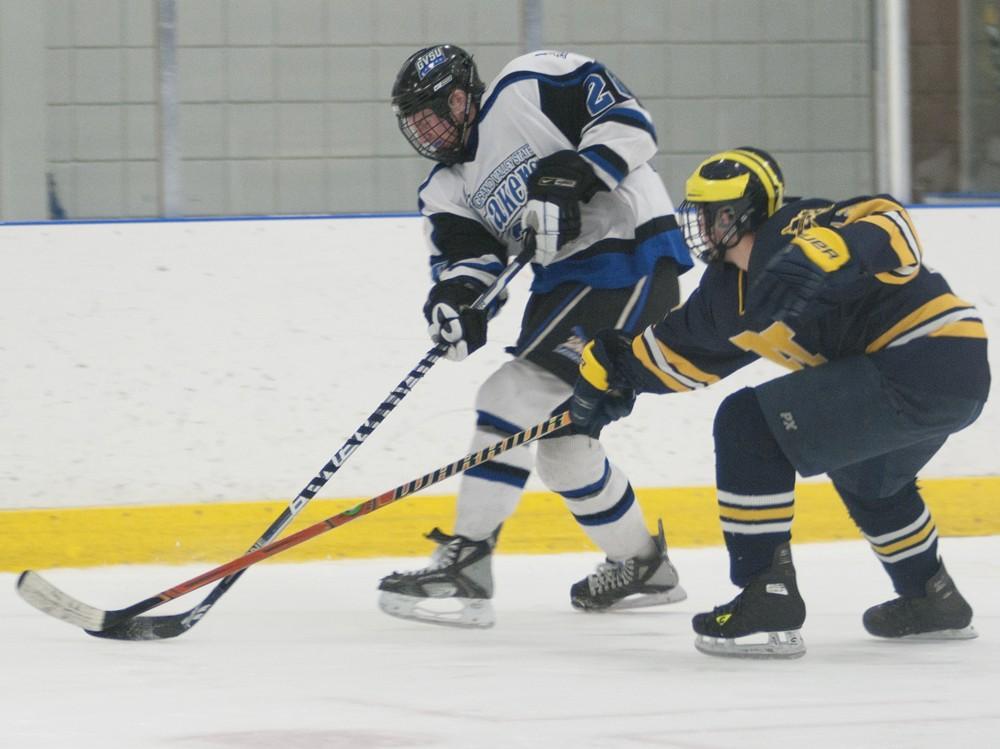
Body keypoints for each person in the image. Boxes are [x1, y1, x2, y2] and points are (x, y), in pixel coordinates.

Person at [569, 147, 990, 658]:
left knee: (748, 424)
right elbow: (678, 355)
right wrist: (613, 373)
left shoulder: (797, 226)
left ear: (738, 214)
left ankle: (766, 593)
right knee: (870, 479)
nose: (699, 224)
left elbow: (893, 226)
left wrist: (831, 249)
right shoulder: (727, 294)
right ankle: (932, 598)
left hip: (925, 355)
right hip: (947, 374)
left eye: (710, 212)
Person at [377, 44, 694, 628]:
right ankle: (643, 564)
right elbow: (468, 265)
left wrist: (573, 172)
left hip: (629, 254)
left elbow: (632, 124)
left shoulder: (530, 82)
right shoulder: (445, 189)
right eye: (413, 124)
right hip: (565, 285)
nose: (425, 132)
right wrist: (457, 305)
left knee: (511, 398)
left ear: (459, 95)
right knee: (563, 452)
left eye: (430, 114)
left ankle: (467, 562)